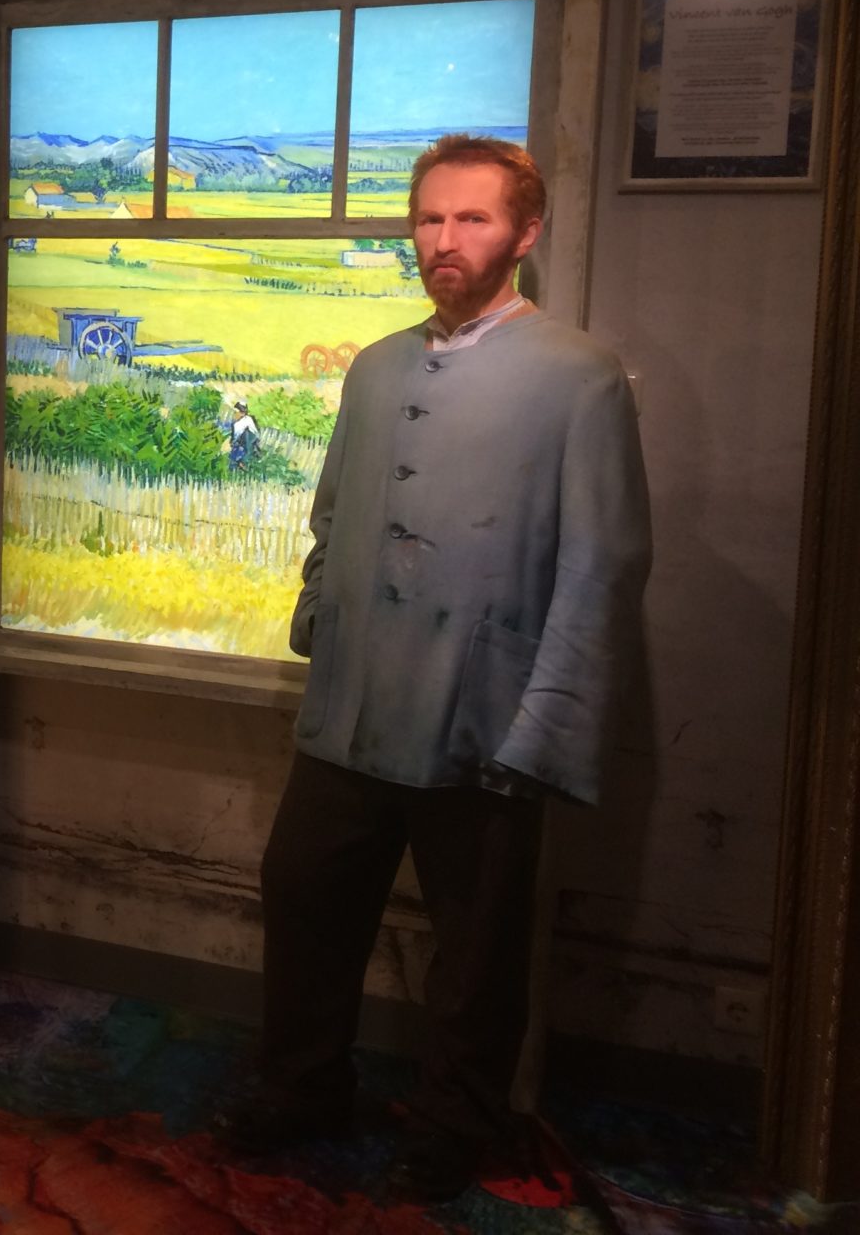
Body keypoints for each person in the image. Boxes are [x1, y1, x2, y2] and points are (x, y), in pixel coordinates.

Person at [212, 135, 652, 1202]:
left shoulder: (579, 375)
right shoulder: (375, 367)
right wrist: (320, 618)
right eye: (427, 218)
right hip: (351, 707)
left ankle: (457, 1123)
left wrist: (545, 722)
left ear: (524, 232)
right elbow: (332, 514)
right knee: (304, 896)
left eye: (471, 218)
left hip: (483, 713)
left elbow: (603, 564)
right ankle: (303, 1087)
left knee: (478, 945)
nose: (443, 240)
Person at [228, 398, 260, 471]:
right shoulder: (235, 424)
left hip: (249, 439)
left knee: (246, 436)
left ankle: (243, 461)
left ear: (242, 413)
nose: (235, 414)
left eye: (237, 412)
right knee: (235, 451)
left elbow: (254, 432)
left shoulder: (247, 419)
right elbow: (234, 436)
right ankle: (236, 464)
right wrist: (233, 442)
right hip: (239, 442)